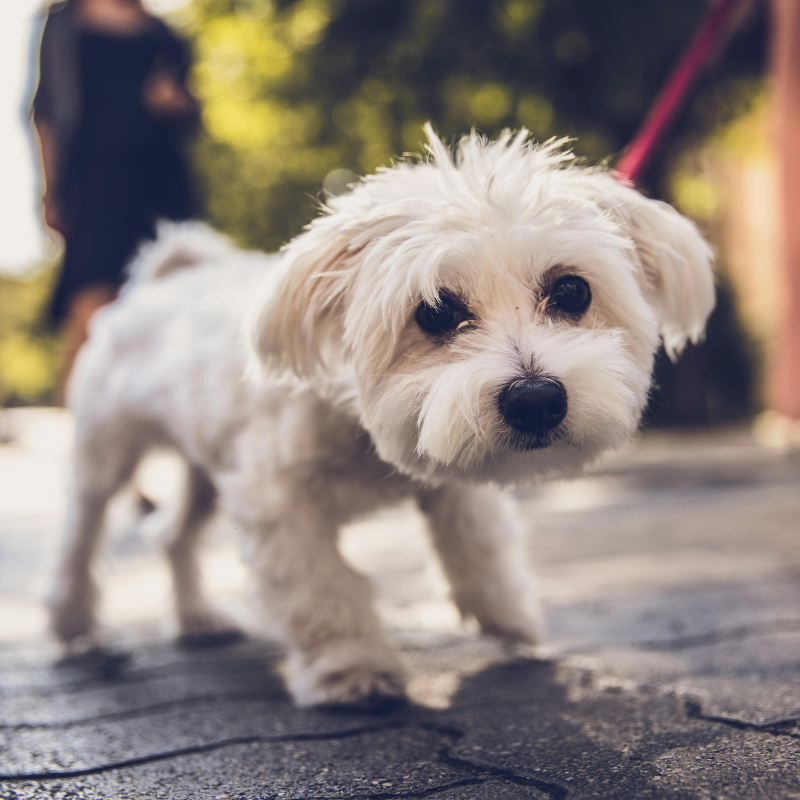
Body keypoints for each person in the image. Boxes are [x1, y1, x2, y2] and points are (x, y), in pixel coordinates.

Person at [31, 0, 199, 398]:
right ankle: (78, 431)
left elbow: (193, 109)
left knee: (170, 305)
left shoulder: (164, 32)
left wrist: (178, 102)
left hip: (161, 183)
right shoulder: (62, 25)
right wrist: (51, 189)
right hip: (93, 182)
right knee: (91, 302)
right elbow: (46, 111)